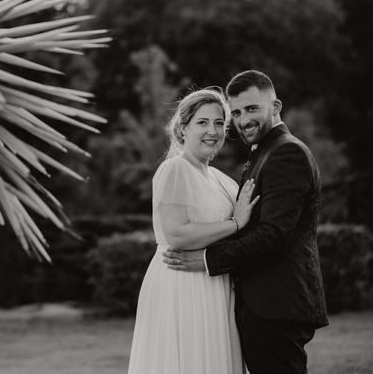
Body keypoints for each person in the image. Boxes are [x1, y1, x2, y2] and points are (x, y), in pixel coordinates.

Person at [162, 70, 329, 374]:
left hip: (276, 303)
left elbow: (273, 236)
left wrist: (207, 260)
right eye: (236, 112)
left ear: (275, 106)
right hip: (263, 303)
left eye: (252, 109)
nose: (243, 120)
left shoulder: (285, 152)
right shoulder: (264, 152)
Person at [128, 87, 258, 374]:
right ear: (182, 128)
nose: (212, 131)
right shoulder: (174, 169)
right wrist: (235, 223)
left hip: (217, 284)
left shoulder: (222, 179)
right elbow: (176, 235)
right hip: (182, 284)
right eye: (202, 122)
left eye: (218, 123)